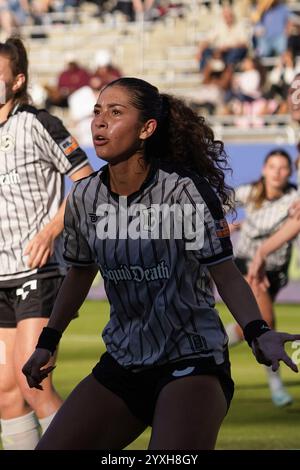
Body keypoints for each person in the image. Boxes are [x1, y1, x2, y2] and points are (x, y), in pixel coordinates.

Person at [22, 77, 300, 450]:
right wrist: (47, 342)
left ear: (147, 129)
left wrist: (257, 331)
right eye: (97, 112)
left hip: (192, 360)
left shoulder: (185, 191)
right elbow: (79, 274)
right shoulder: (85, 196)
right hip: (123, 363)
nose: (100, 122)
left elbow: (226, 273)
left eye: (116, 113)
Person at [0, 37, 93, 450]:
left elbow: (87, 179)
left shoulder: (37, 123)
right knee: (4, 393)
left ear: (17, 80)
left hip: (37, 271)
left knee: (32, 381)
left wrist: (52, 229)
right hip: (0, 275)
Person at [226, 149, 298, 407]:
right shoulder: (250, 192)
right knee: (265, 321)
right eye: (272, 167)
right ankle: (277, 387)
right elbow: (219, 203)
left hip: (275, 272)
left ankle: (210, 346)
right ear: (264, 170)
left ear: (290, 171)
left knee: (247, 328)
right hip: (248, 264)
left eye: (283, 167)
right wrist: (225, 225)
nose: (277, 172)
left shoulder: (294, 198)